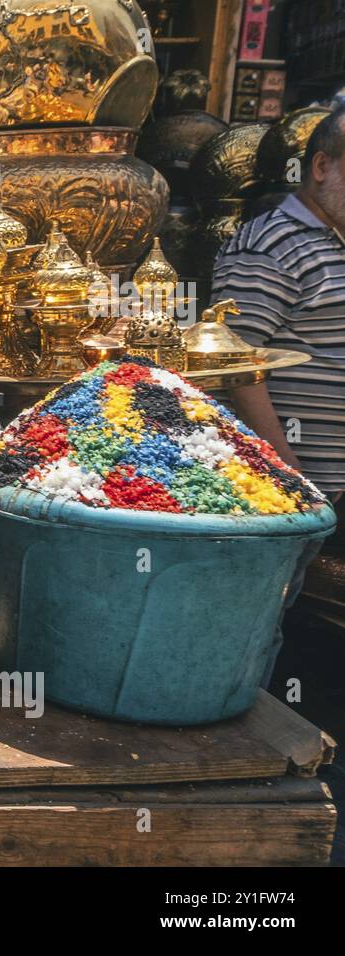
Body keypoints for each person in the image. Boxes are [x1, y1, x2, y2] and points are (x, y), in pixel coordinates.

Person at [211, 102, 345, 682]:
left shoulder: (334, 241)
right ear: (322, 166)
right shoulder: (270, 245)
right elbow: (235, 365)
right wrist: (288, 473)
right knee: (256, 629)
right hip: (297, 484)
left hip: (328, 484)